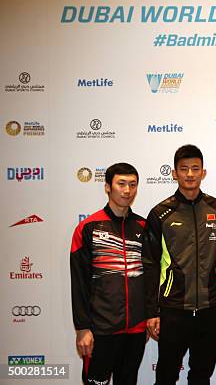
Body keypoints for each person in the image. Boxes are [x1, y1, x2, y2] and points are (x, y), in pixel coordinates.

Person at [143, 144, 216, 385]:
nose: (190, 174)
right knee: (167, 374)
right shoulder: (160, 213)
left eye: (195, 169)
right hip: (173, 309)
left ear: (203, 172)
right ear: (174, 173)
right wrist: (152, 313)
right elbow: (149, 265)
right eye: (184, 169)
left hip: (211, 308)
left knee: (201, 375)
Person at [70, 162, 147, 385]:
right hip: (100, 330)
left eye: (132, 184)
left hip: (136, 329)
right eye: (121, 184)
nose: (127, 190)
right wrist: (83, 327)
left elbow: (151, 278)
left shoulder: (143, 226)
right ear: (107, 187)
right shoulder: (88, 227)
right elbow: (79, 282)